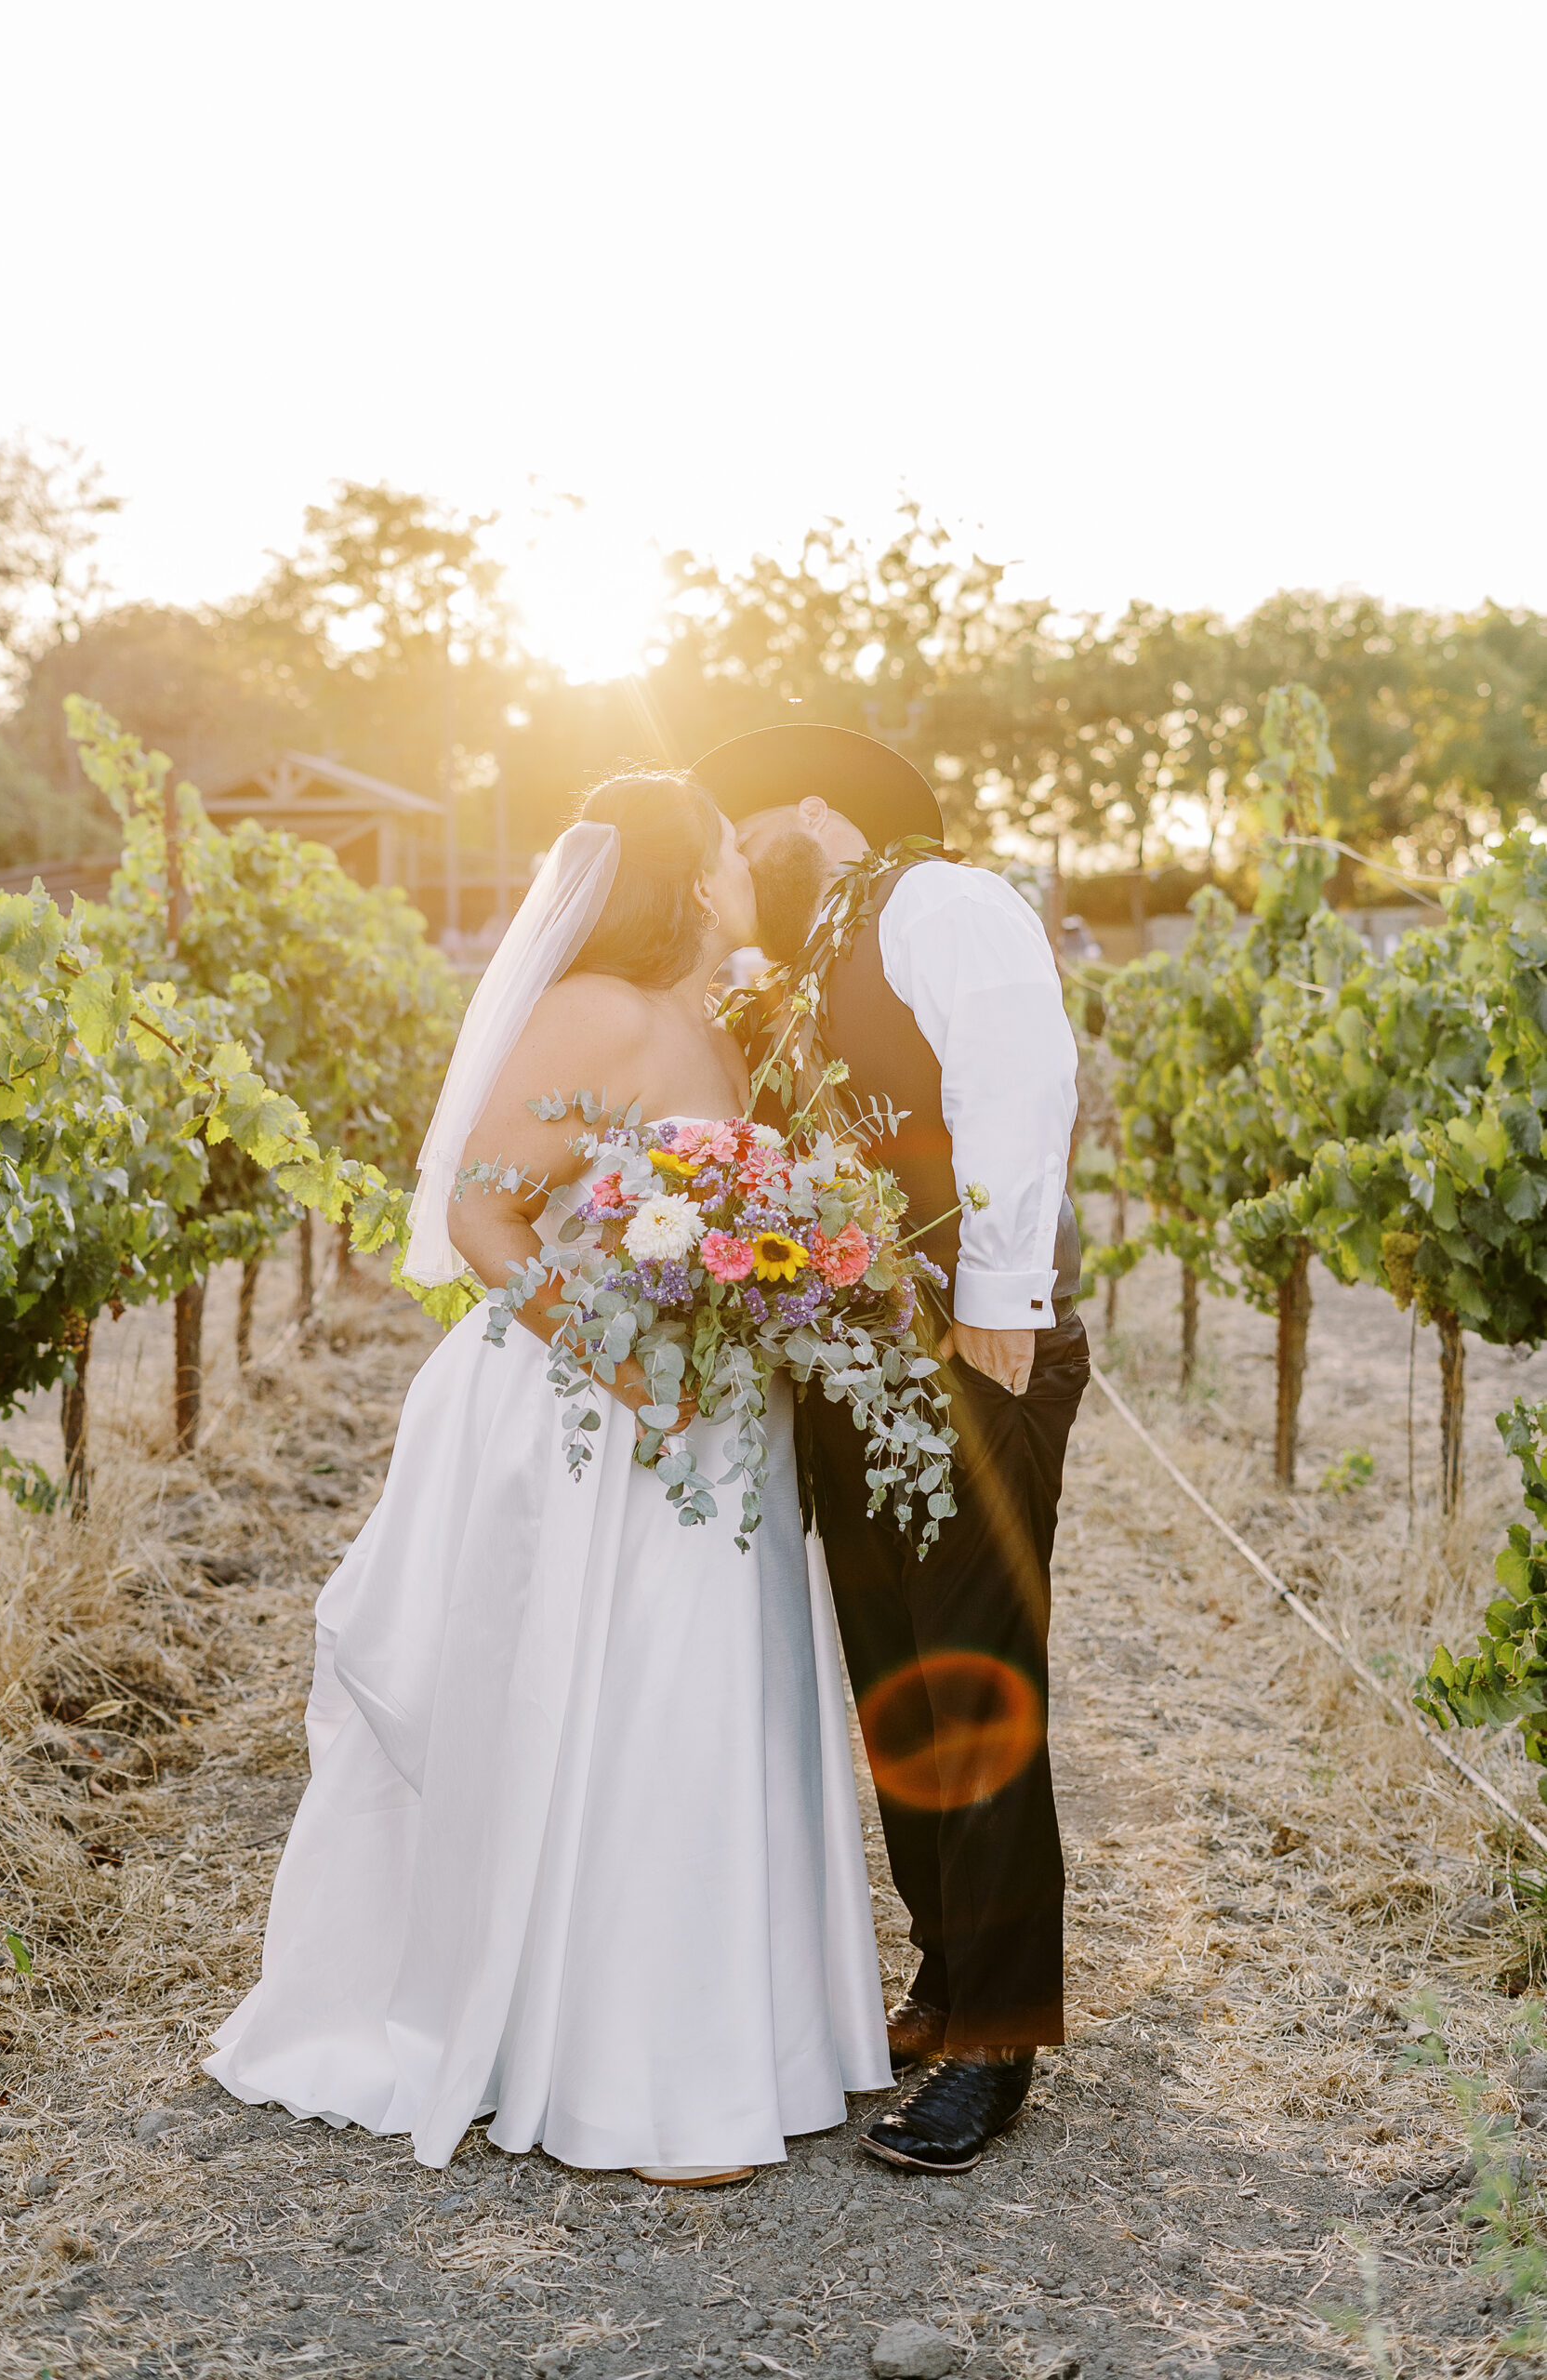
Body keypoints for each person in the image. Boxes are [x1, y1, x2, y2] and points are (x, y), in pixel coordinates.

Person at [205, 773, 892, 2183]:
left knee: (718, 1709)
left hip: (720, 1421)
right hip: (605, 1415)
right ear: (697, 883)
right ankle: (634, 2082)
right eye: (728, 848)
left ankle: (743, 2050)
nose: (744, 868)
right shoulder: (598, 1011)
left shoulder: (732, 1018)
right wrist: (628, 1362)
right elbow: (478, 1206)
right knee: (638, 1702)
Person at [694, 723, 1089, 2175]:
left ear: (814, 812)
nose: (730, 868)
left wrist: (1000, 1307)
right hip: (858, 1366)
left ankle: (1000, 2040)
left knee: (975, 1684)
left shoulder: (944, 903)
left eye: (741, 839)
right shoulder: (804, 965)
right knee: (896, 1688)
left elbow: (1016, 1084)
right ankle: (943, 1977)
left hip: (978, 1354)